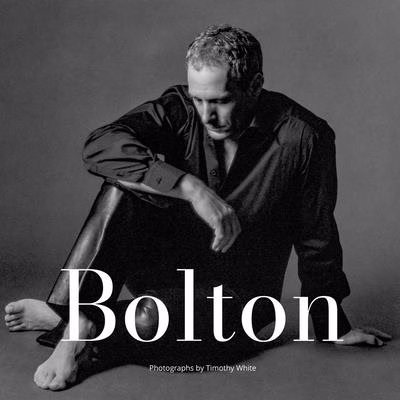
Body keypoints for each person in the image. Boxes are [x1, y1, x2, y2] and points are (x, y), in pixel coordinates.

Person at [4, 24, 391, 391]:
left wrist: (332, 325)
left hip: (238, 301)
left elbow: (315, 235)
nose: (207, 115)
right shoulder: (180, 109)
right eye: (198, 99)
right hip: (167, 270)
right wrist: (189, 187)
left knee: (149, 320)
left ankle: (71, 315)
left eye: (221, 101)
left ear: (255, 85)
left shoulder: (305, 137)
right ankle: (78, 324)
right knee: (122, 187)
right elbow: (100, 145)